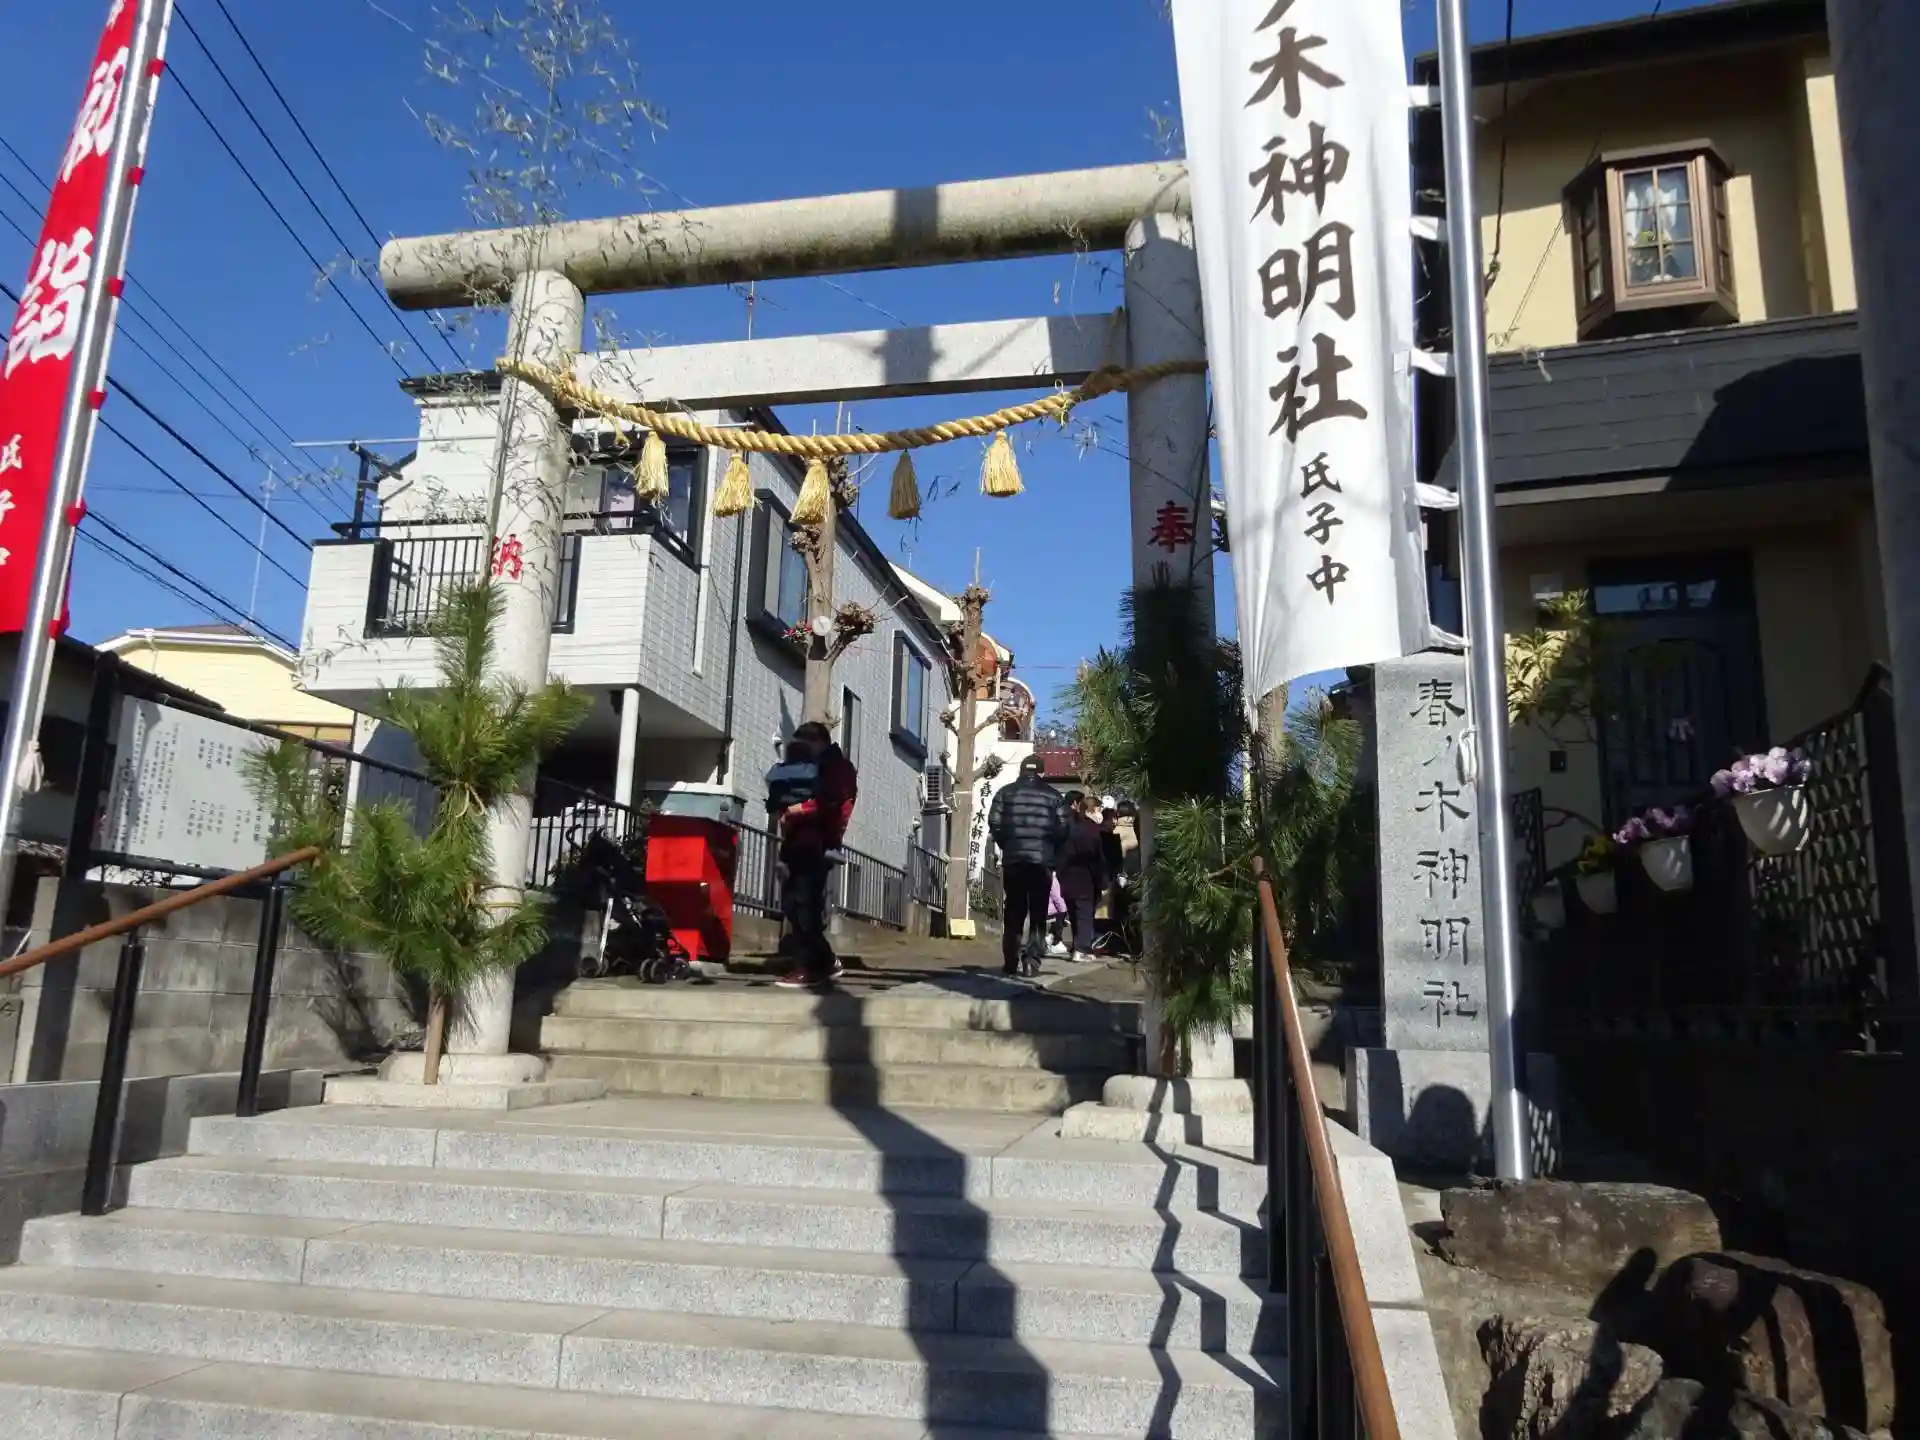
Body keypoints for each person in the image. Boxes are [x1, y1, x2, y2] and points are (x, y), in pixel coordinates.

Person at [769, 721, 858, 990]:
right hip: (800, 840)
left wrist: (797, 810)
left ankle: (808, 968)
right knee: (793, 905)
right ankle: (825, 962)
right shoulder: (818, 767)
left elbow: (832, 804)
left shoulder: (837, 768)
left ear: (817, 742)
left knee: (805, 906)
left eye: (804, 745)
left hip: (817, 843)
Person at [988, 754, 1068, 977]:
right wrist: (1050, 848)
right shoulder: (1054, 796)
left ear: (1021, 771)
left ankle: (1010, 961)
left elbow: (994, 822)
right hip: (1041, 862)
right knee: (1038, 912)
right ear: (1041, 773)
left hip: (1014, 860)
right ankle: (1032, 961)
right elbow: (1063, 829)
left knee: (1014, 909)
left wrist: (1007, 844)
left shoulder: (1005, 793)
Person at [1054, 791, 1109, 962]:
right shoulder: (1091, 829)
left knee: (1074, 913)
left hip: (1067, 876)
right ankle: (1082, 949)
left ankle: (1077, 946)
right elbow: (1096, 858)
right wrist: (1102, 880)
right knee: (1084, 914)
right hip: (1085, 878)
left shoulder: (1065, 827)